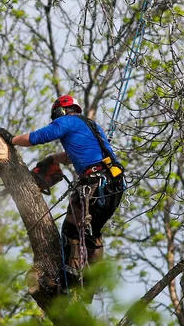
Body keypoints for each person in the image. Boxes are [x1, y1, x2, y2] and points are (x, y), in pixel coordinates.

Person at [12, 94, 125, 283]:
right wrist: (51, 159)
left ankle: (68, 283)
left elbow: (37, 137)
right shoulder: (91, 125)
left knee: (71, 231)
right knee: (92, 233)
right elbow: (75, 154)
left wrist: (11, 139)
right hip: (115, 183)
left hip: (94, 183)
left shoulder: (66, 121)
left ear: (60, 110)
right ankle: (90, 283)